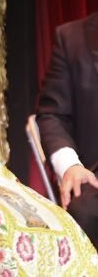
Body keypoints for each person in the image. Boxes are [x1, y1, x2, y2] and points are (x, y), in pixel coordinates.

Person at [36, 12, 98, 246]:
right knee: (85, 211)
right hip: (94, 175)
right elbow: (53, 115)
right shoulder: (72, 38)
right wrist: (70, 166)